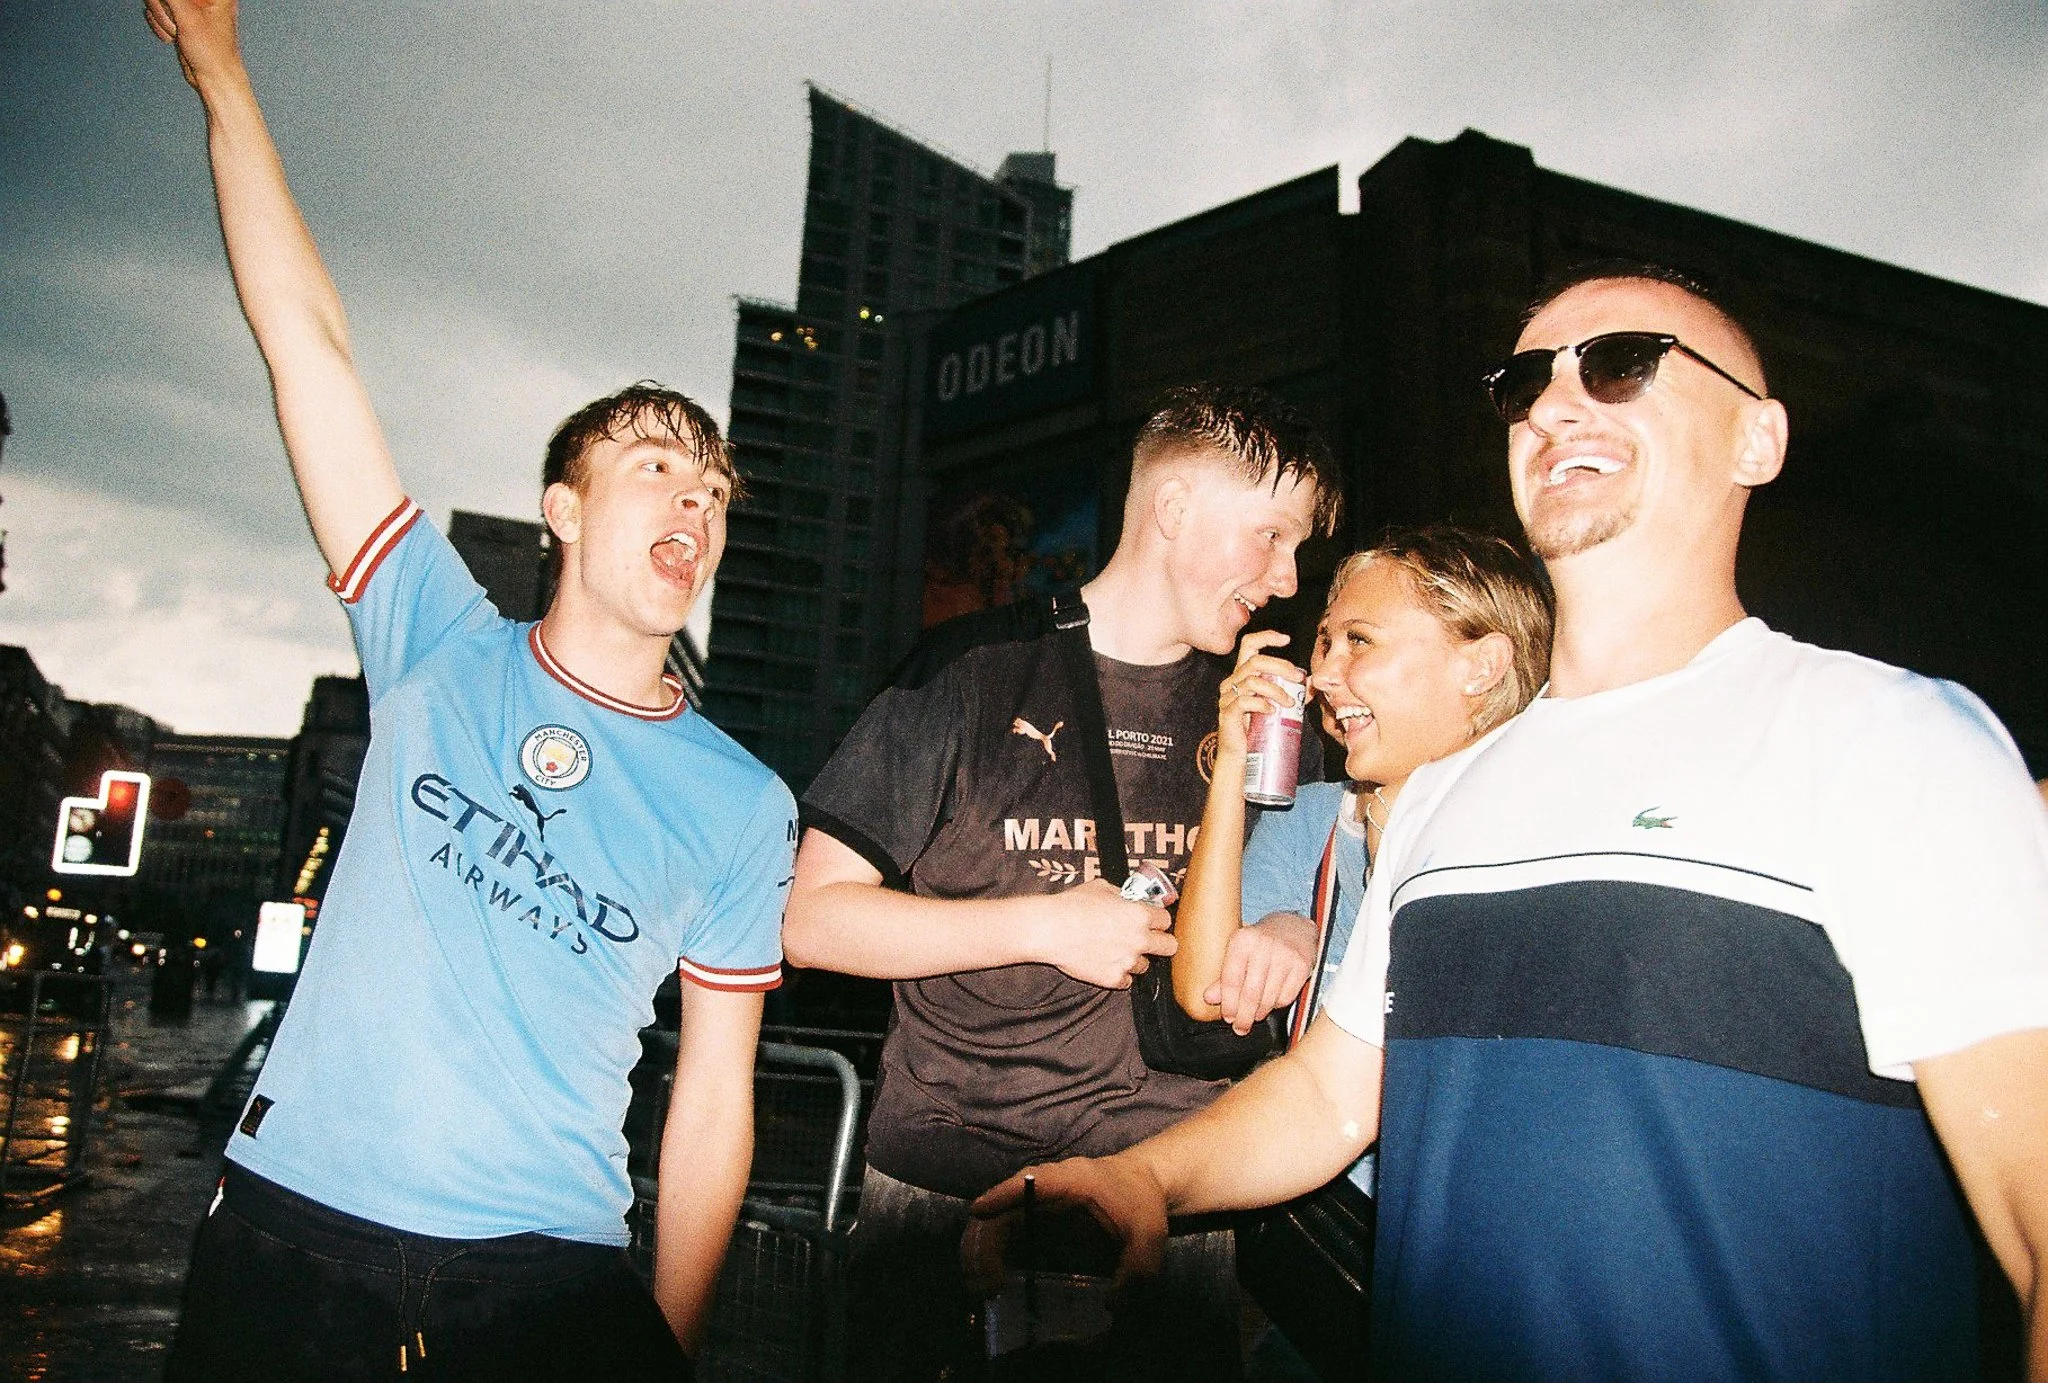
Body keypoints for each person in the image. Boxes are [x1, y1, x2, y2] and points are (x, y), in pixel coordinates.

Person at [969, 263, 2048, 1382]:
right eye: (1524, 380)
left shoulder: (1887, 738)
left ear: (1755, 440)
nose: (1552, 403)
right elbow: (1330, 1099)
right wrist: (1142, 1178)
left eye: (1621, 364)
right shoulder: (1445, 794)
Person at [149, 4, 794, 1379]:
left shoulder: (744, 802)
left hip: (545, 1283)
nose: (694, 493)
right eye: (652, 465)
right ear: (559, 506)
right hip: (291, 1237)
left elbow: (713, 1099)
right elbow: (308, 348)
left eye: (714, 486)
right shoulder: (438, 638)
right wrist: (222, 74)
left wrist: (663, 1339)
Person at [785, 382, 1341, 1380]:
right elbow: (814, 920)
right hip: (940, 1187)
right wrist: (1039, 925)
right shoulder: (972, 667)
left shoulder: (1260, 712)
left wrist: (1296, 932)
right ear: (1172, 511)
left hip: (1162, 1195)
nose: (1288, 578)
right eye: (1270, 537)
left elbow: (1326, 883)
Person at [1170, 526, 1553, 1198]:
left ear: (1481, 665)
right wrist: (1234, 758)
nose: (1321, 673)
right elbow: (1205, 989)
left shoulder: (1537, 848)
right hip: (1324, 1222)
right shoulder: (1315, 820)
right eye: (1327, 639)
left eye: (1360, 640)